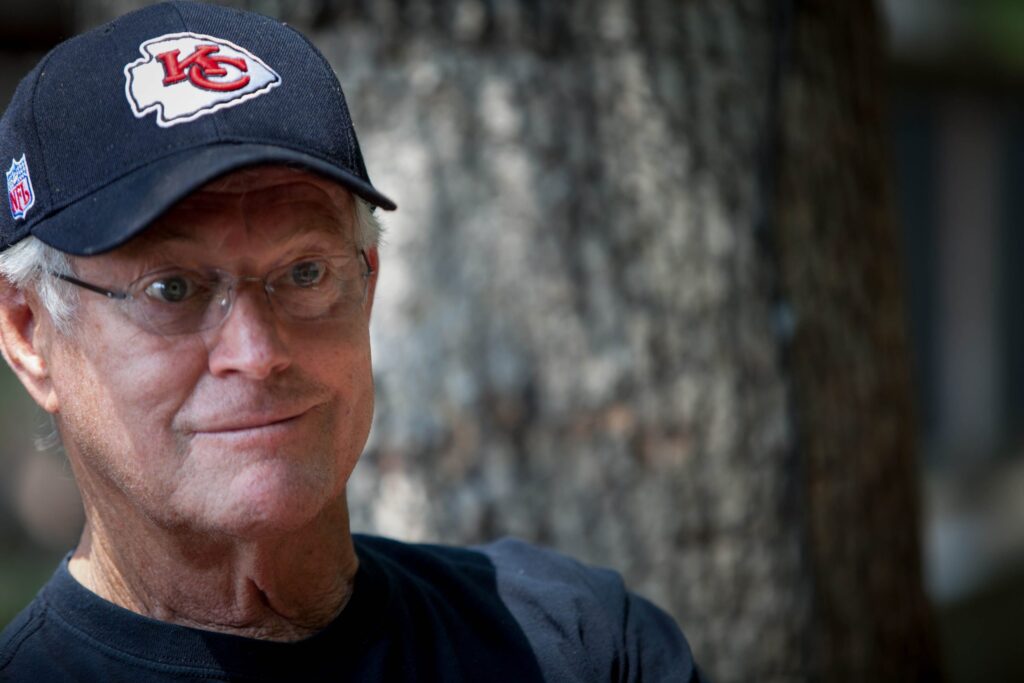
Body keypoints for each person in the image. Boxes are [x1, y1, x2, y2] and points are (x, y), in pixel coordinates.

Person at [0, 2, 702, 681]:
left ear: (367, 285)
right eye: (173, 289)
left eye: (304, 272)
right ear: (29, 331)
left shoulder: (579, 646)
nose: (256, 352)